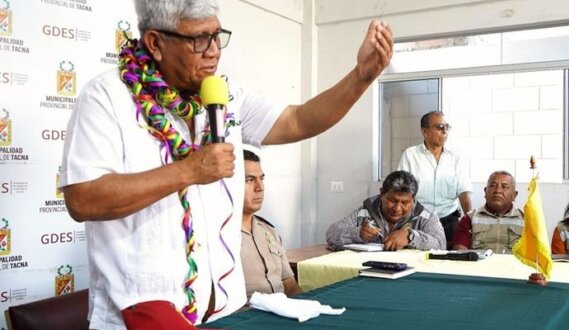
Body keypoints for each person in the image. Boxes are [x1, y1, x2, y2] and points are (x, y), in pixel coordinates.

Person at [59, 0, 393, 328]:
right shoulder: (106, 98)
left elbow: (298, 120)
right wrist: (188, 170)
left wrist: (361, 77)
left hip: (226, 317)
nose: (214, 51)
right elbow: (83, 199)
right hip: (138, 322)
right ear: (156, 43)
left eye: (218, 36)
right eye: (199, 39)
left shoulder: (225, 96)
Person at [397, 111, 472, 246]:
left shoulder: (455, 156)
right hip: (419, 221)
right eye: (439, 127)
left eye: (447, 127)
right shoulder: (410, 155)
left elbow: (464, 192)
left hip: (450, 221)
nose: (444, 131)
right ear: (425, 132)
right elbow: (402, 192)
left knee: (451, 263)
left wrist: (471, 222)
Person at [326, 170, 446, 251]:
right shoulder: (365, 212)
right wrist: (358, 234)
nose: (397, 208)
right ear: (382, 193)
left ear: (413, 199)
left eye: (404, 203)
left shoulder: (426, 216)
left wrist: (410, 236)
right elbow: (332, 234)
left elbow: (441, 245)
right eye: (392, 201)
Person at [240, 149, 302, 300]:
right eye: (249, 180)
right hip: (246, 317)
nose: (260, 187)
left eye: (261, 179)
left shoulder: (268, 231)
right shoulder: (219, 236)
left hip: (282, 313)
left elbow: (290, 285)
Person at [453, 171, 523, 254]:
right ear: (485, 192)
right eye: (492, 185)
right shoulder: (469, 219)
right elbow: (460, 251)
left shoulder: (525, 220)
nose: (498, 190)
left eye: (504, 187)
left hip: (513, 266)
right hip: (478, 266)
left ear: (514, 195)